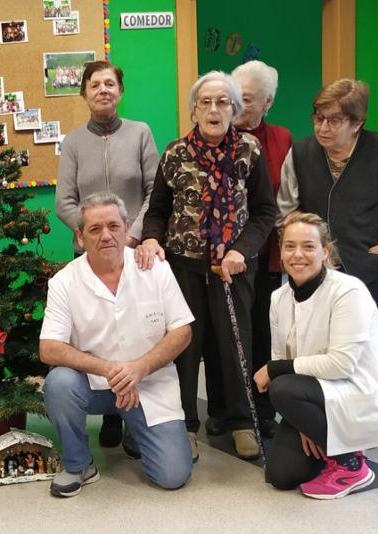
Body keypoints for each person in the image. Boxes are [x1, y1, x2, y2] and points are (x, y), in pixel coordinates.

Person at [140, 71, 279, 461]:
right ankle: (185, 424)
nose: (214, 109)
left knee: (236, 344)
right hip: (184, 266)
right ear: (194, 110)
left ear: (234, 109)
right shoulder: (175, 153)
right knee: (185, 346)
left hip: (233, 266)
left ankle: (240, 421)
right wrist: (151, 237)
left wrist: (243, 250)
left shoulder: (248, 151)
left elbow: (264, 211)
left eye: (223, 102)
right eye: (206, 102)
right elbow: (158, 210)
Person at [39, 192, 195, 497]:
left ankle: (138, 432)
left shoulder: (155, 268)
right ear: (80, 237)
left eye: (113, 226)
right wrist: (112, 370)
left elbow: (182, 331)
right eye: (95, 229)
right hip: (95, 386)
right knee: (58, 383)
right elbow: (49, 348)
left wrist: (139, 368)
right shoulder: (63, 282)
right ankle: (78, 464)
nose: (106, 235)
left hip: (149, 384)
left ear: (126, 228)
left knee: (172, 476)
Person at [255, 213, 378, 498]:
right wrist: (302, 419)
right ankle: (331, 441)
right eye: (289, 246)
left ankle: (351, 465)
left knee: (281, 384)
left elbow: (340, 364)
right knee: (281, 475)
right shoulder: (279, 297)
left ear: (325, 251)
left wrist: (276, 370)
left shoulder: (349, 291)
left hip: (360, 393)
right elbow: (280, 353)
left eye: (308, 246)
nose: (297, 254)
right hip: (314, 392)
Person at [54, 60, 160, 451]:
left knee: (134, 334)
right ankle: (113, 413)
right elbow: (64, 201)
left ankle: (136, 416)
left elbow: (155, 191)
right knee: (97, 336)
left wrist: (129, 236)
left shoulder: (140, 134)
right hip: (90, 255)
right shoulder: (74, 142)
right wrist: (92, 236)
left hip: (135, 253)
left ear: (120, 90)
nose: (103, 90)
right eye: (95, 84)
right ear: (84, 93)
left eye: (110, 83)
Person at [277, 79, 378, 360]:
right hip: (318, 271)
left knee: (373, 354)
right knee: (322, 352)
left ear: (356, 123)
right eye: (318, 118)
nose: (323, 127)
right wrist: (295, 234)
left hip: (372, 266)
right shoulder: (300, 152)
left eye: (334, 120)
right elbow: (284, 206)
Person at [230, 60, 293, 439]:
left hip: (266, 253)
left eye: (247, 99)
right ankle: (228, 409)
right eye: (234, 95)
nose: (236, 105)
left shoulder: (282, 139)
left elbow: (284, 197)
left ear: (267, 103)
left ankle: (263, 408)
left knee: (264, 334)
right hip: (227, 257)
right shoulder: (217, 134)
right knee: (229, 331)